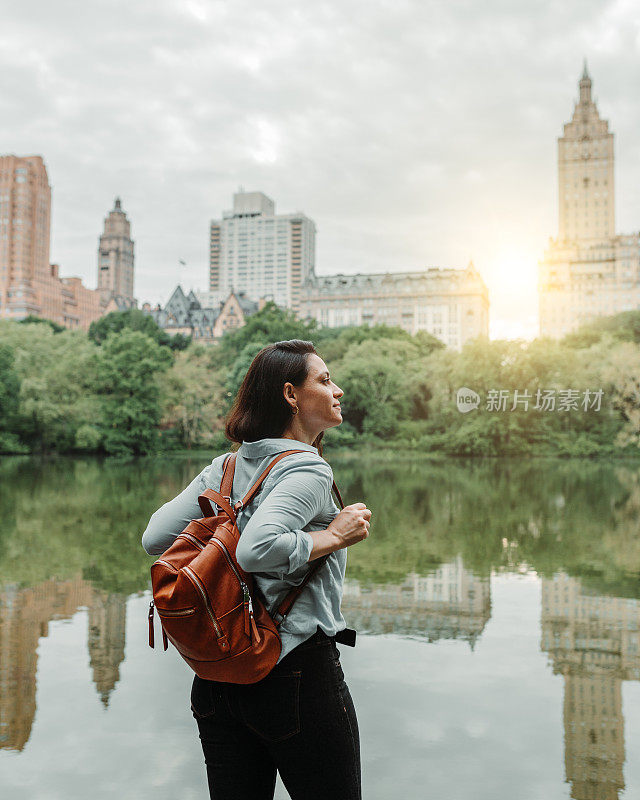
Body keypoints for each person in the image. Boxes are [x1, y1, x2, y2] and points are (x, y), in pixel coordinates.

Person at [142, 339, 372, 800]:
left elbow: (155, 538)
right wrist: (334, 536)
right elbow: (255, 550)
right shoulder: (307, 470)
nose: (338, 390)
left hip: (218, 676)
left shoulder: (225, 467)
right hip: (295, 675)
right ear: (291, 395)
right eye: (325, 380)